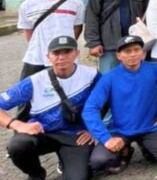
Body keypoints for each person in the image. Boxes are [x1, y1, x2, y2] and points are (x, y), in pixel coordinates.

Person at [1, 36, 99, 180]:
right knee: (17, 145)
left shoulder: (92, 75)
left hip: (76, 137)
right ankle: (36, 174)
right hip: (42, 133)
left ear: (77, 53)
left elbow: (106, 103)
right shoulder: (35, 81)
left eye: (67, 52)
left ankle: (66, 161)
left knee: (79, 177)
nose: (61, 57)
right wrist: (17, 124)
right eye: (56, 53)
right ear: (48, 57)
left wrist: (93, 130)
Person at [83, 36, 157, 174]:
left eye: (136, 50)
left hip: (150, 128)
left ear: (143, 52)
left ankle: (147, 147)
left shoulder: (155, 69)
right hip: (120, 131)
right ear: (118, 55)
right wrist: (106, 138)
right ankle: (125, 151)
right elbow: (90, 109)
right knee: (98, 162)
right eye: (127, 51)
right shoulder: (109, 78)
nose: (133, 54)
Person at [17, 0, 85, 81]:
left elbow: (77, 28)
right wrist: (40, 46)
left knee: (68, 93)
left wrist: (65, 47)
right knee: (29, 94)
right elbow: (28, 31)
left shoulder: (76, 3)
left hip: (66, 59)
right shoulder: (28, 5)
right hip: (36, 58)